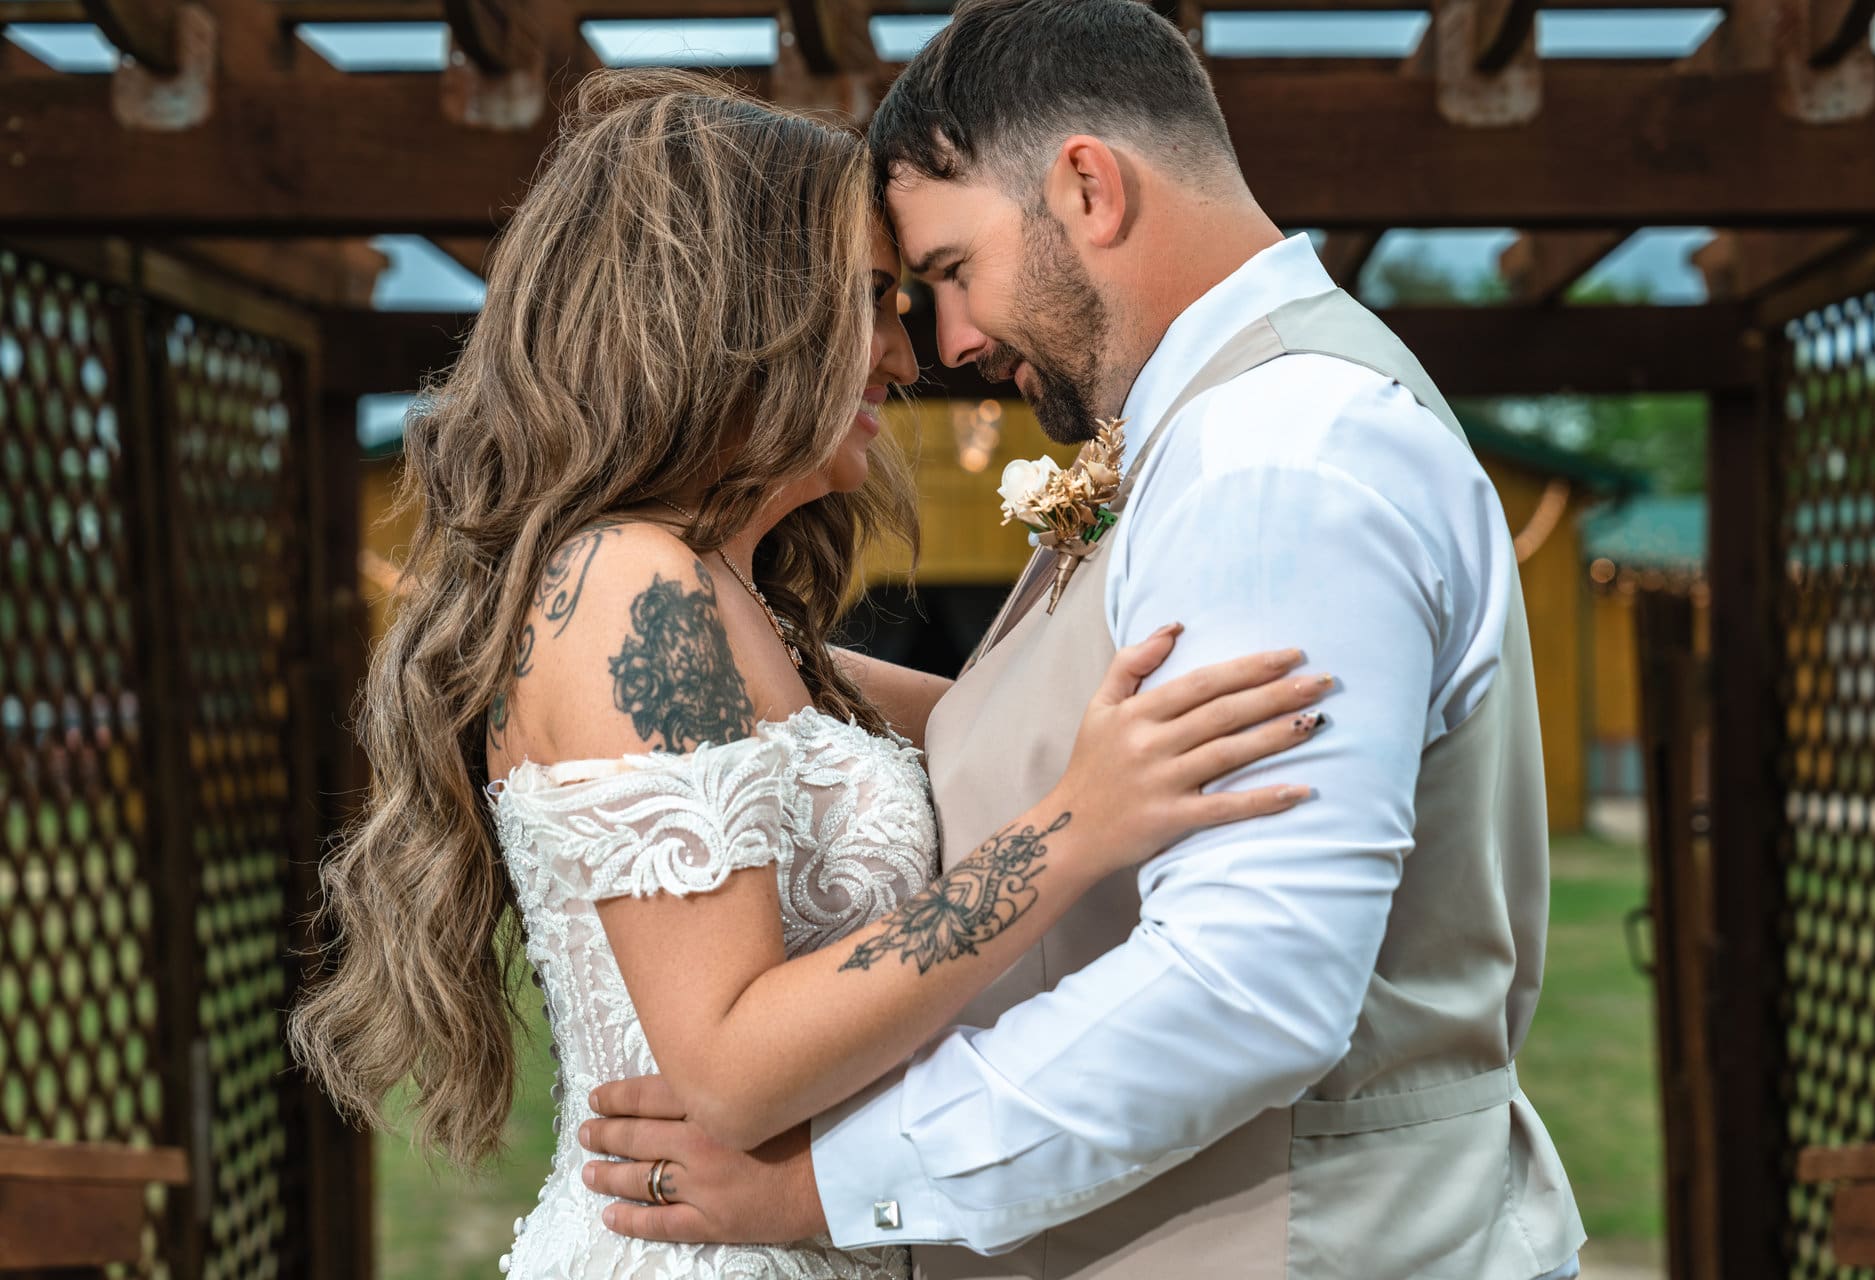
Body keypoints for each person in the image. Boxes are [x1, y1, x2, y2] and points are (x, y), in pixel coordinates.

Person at [580, 3, 1587, 1277]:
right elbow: (981, 731)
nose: (944, 346)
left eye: (949, 273)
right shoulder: (1211, 441)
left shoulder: (1275, 462)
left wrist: (826, 1185)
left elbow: (1243, 987)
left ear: (1088, 188)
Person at [288, 67, 1334, 1279]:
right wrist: (1068, 833)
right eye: (874, 302)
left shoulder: (745, 617)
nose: (910, 353)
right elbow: (727, 1066)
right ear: (738, 310)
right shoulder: (636, 592)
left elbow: (995, 735)